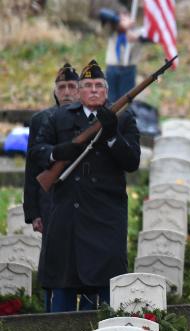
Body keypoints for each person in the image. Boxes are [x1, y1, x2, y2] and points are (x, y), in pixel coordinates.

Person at [31, 59, 140, 312]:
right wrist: (57, 152)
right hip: (68, 216)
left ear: (107, 91)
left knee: (103, 295)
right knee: (63, 294)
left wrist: (112, 135)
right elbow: (37, 152)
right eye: (88, 85)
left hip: (105, 218)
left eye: (99, 86)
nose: (93, 90)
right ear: (79, 91)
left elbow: (132, 161)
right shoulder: (58, 118)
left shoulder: (123, 119)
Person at [23, 63, 80, 312]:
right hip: (50, 201)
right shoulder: (41, 120)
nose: (66, 91)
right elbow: (32, 168)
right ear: (55, 91)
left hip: (81, 202)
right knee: (53, 263)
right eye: (61, 87)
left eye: (71, 86)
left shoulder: (87, 118)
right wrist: (33, 212)